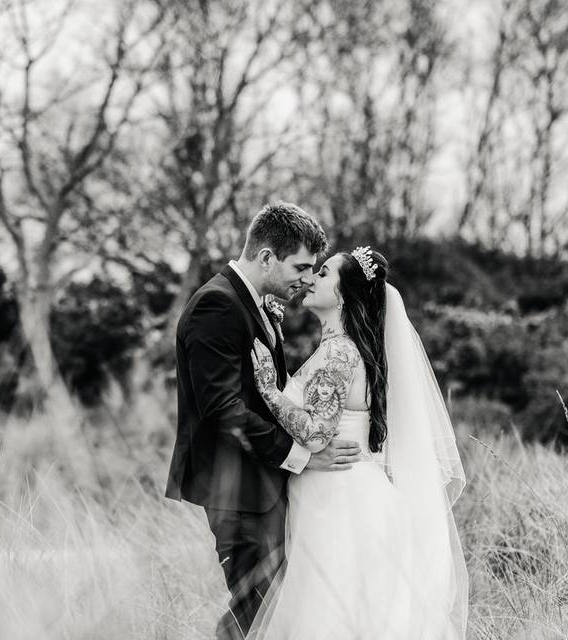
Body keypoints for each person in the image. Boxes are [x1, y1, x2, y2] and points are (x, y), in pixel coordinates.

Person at [247, 246, 468, 640]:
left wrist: (269, 390)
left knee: (328, 617)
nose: (311, 277)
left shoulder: (339, 354)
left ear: (345, 294)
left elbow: (316, 434)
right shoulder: (342, 350)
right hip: (342, 492)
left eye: (325, 273)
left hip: (338, 501)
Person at [164, 203, 364, 640]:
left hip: (262, 488)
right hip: (238, 491)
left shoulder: (254, 305)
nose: (308, 279)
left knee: (272, 613)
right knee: (254, 617)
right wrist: (302, 457)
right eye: (302, 267)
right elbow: (223, 411)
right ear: (267, 257)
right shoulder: (217, 306)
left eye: (314, 270)